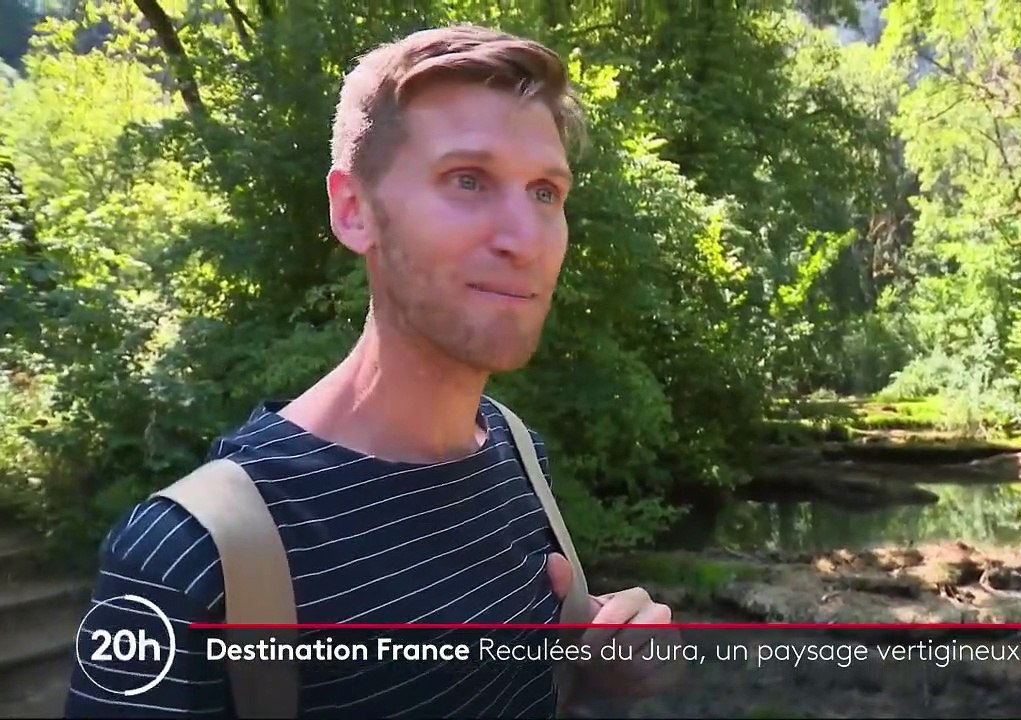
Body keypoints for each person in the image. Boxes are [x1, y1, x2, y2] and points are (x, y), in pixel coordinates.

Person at [65, 24, 672, 718]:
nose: (525, 239)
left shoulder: (515, 454)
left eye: (544, 192)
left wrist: (598, 674)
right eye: (468, 180)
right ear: (354, 211)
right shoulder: (186, 562)